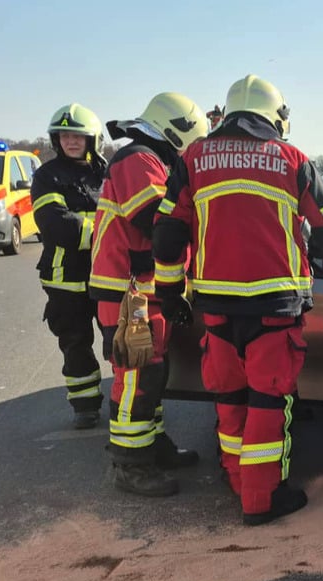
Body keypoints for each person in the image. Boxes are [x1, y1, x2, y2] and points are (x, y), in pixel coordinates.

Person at [154, 75, 323, 525]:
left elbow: (166, 235)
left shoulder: (194, 158)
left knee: (229, 392)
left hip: (215, 307)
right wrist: (313, 254)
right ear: (275, 116)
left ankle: (238, 477)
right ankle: (260, 499)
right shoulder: (292, 159)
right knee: (268, 398)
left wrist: (169, 292)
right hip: (274, 308)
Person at [90, 93, 209, 497]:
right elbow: (155, 220)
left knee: (152, 372)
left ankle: (151, 445)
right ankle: (130, 464)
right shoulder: (136, 159)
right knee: (137, 375)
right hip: (129, 294)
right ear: (178, 128)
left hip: (144, 292)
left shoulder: (154, 160)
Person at [32, 104, 107, 430]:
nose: (71, 141)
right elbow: (55, 225)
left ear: (92, 139)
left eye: (78, 135)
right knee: (76, 345)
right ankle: (85, 405)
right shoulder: (47, 176)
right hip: (66, 279)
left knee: (122, 344)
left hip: (109, 276)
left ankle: (128, 403)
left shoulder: (106, 172)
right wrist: (110, 233)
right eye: (65, 136)